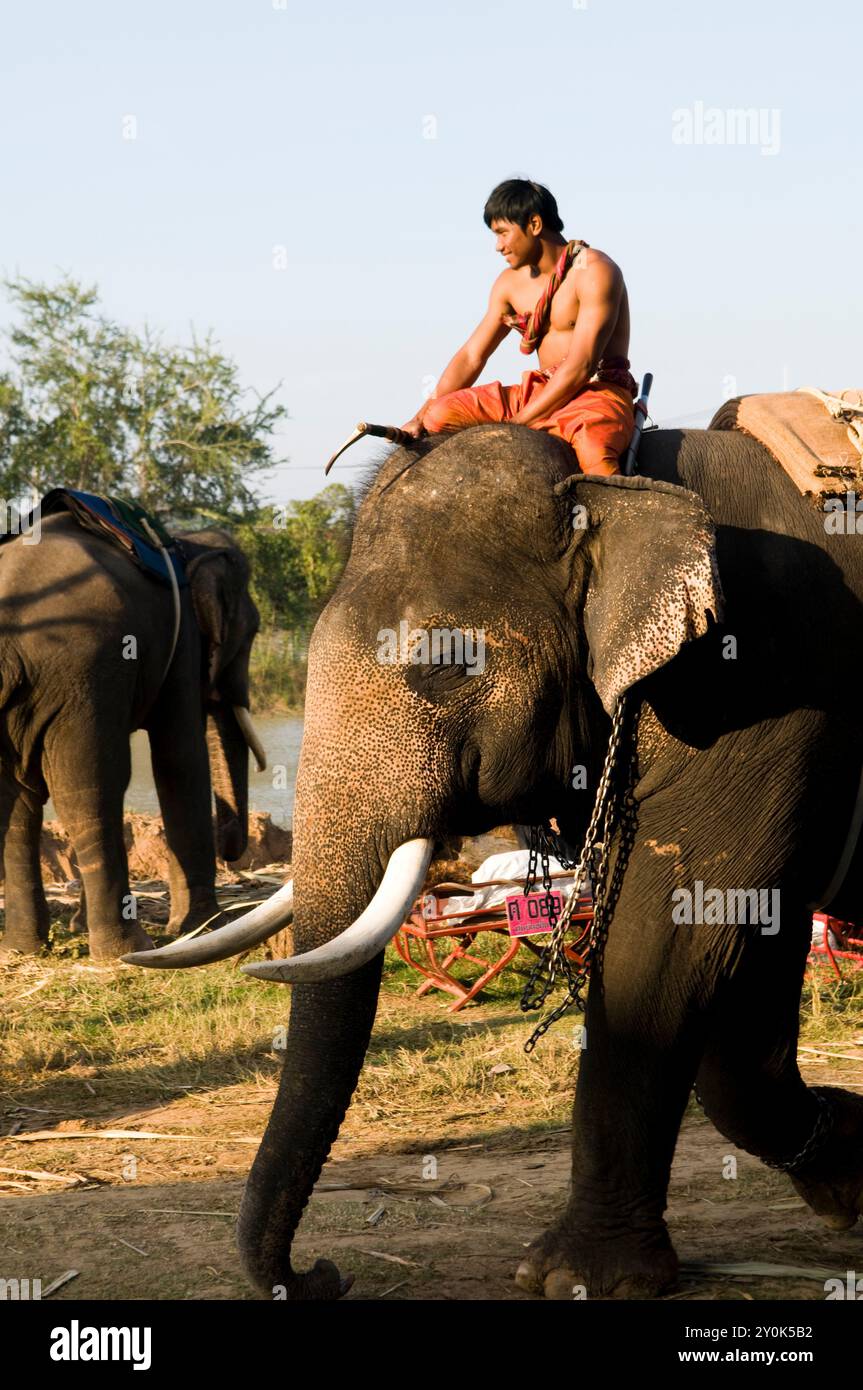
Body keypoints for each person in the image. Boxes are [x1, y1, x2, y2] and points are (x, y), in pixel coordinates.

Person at [402, 178, 636, 476]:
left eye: (502, 233)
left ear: (535, 224)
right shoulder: (508, 284)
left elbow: (581, 366)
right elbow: (472, 356)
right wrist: (419, 418)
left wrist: (517, 427)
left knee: (594, 455)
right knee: (440, 415)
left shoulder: (594, 270)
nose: (498, 246)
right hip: (538, 390)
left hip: (595, 394)